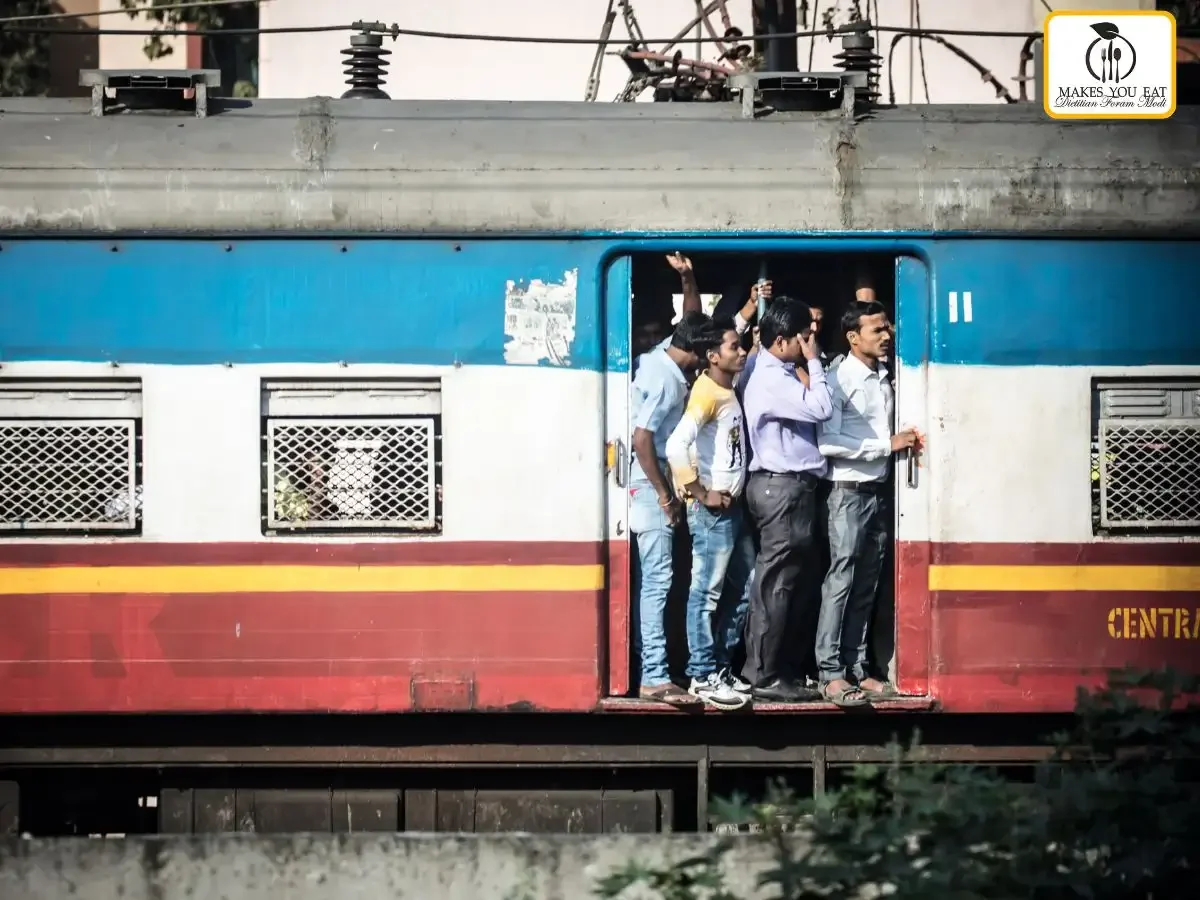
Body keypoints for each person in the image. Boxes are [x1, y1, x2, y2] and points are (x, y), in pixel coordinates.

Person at [815, 300, 920, 707]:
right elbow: (827, 443)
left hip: (875, 493)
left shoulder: (882, 377)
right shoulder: (838, 379)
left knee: (865, 583)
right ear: (853, 337)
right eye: (877, 330)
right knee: (840, 581)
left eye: (886, 328)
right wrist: (885, 446)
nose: (887, 335)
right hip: (847, 493)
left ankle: (856, 668)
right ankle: (829, 673)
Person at [739, 297, 834, 702]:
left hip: (782, 487)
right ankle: (765, 676)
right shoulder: (774, 380)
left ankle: (775, 670)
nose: (809, 342)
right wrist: (814, 363)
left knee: (785, 583)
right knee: (777, 586)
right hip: (783, 488)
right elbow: (823, 407)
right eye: (802, 337)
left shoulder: (763, 367)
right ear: (781, 341)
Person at [665, 320, 755, 709]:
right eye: (734, 347)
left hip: (730, 509)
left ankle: (718, 666)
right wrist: (700, 492)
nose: (741, 351)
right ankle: (701, 674)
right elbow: (675, 445)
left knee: (745, 585)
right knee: (706, 594)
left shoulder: (724, 387)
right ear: (714, 356)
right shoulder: (706, 393)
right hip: (712, 512)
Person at [629, 310, 712, 704]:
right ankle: (654, 675)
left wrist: (688, 278)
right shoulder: (666, 382)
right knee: (658, 581)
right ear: (694, 350)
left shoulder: (662, 357)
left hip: (652, 480)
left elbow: (690, 319)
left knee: (655, 580)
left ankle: (654, 667)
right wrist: (664, 494)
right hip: (649, 483)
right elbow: (642, 439)